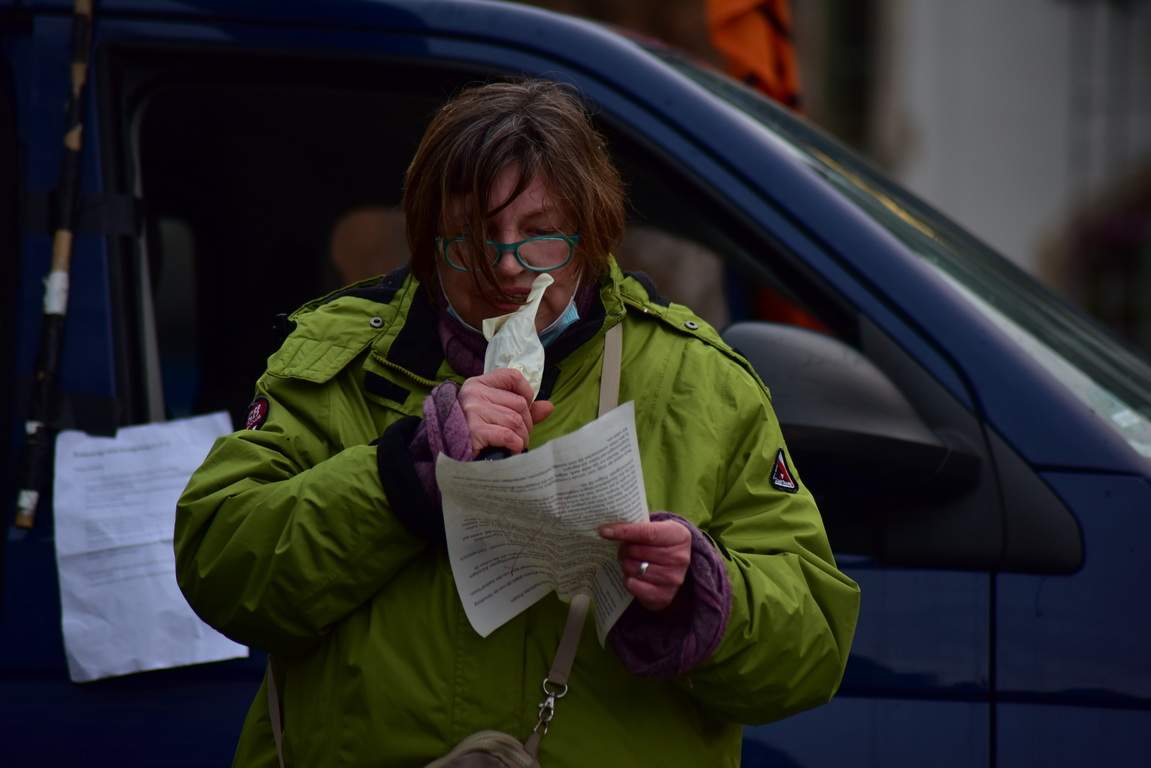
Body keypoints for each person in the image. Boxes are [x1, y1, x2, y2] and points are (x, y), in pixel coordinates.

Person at [175, 79, 860, 767]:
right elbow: (221, 568)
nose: (506, 266)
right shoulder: (339, 360)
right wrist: (399, 476)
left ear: (590, 232)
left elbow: (809, 655)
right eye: (471, 237)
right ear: (427, 238)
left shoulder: (697, 383)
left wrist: (701, 598)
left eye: (540, 235)